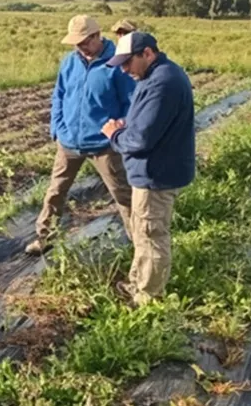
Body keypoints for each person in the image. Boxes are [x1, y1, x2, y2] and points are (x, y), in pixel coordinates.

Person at [25, 15, 136, 256]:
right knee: (56, 191)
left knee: (123, 195)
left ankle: (139, 245)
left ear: (97, 36)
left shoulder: (116, 64)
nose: (80, 47)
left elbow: (131, 102)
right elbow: (59, 95)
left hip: (104, 145)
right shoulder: (69, 62)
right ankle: (44, 237)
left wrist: (120, 129)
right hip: (69, 142)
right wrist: (57, 128)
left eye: (84, 41)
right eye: (76, 42)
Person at [102, 31, 195, 307]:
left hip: (156, 175)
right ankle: (137, 283)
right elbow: (143, 124)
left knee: (152, 235)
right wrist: (126, 126)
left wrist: (114, 135)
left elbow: (141, 139)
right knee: (142, 232)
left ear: (147, 53)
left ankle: (148, 298)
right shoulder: (155, 76)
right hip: (153, 171)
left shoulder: (163, 83)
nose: (124, 69)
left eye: (127, 62)